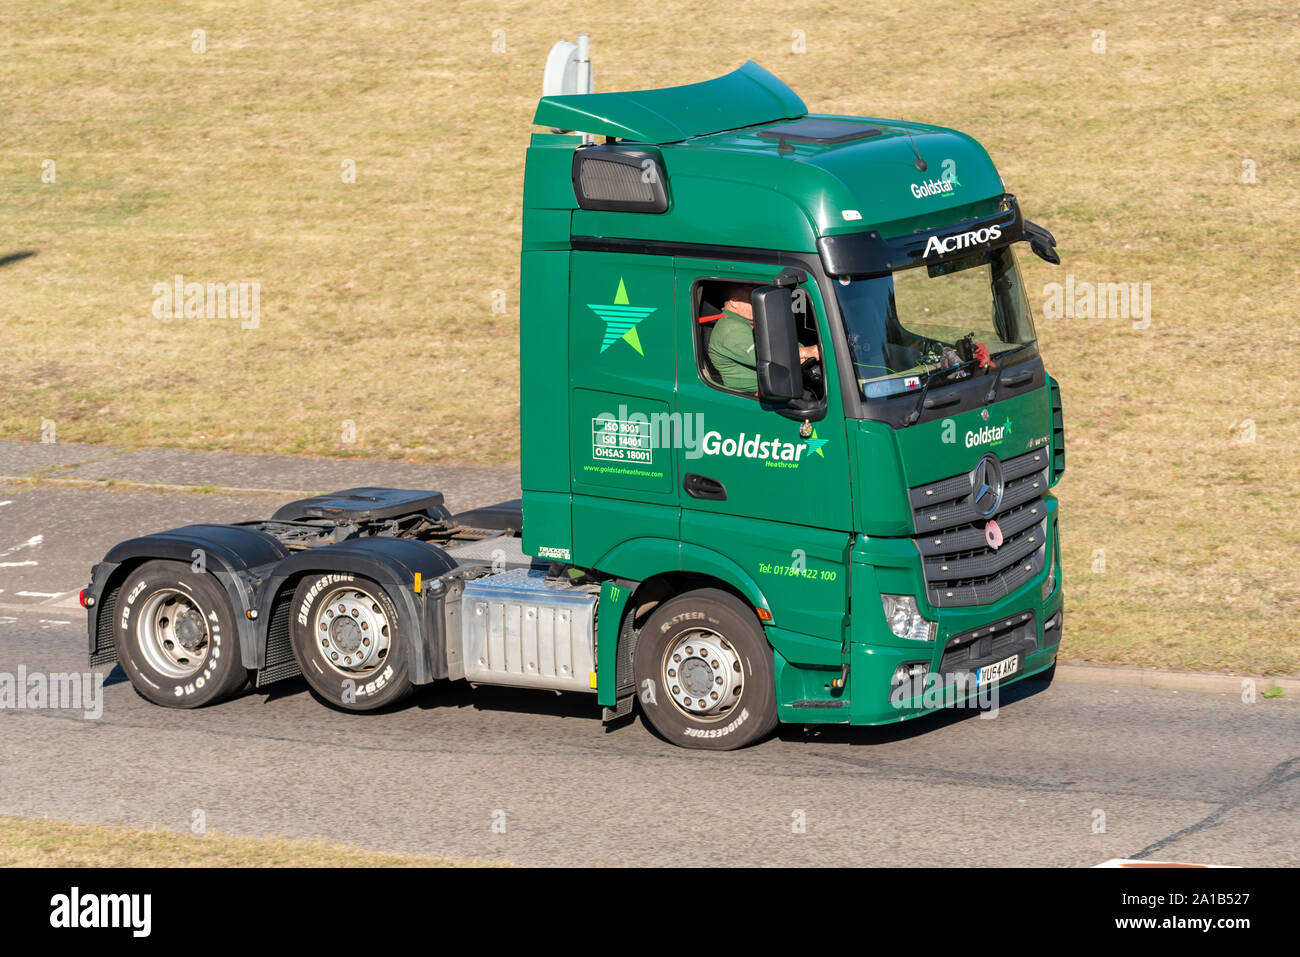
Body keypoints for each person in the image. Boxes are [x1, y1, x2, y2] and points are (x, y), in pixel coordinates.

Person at [707, 284, 820, 394]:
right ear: (734, 303)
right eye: (753, 301)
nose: (760, 304)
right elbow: (774, 357)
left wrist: (801, 353)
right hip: (753, 397)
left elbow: (782, 348)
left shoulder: (746, 323)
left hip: (778, 385)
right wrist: (809, 351)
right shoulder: (730, 331)